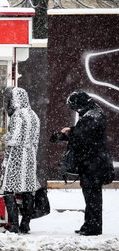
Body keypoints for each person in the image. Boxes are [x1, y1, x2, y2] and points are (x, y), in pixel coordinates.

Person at [50, 90, 114, 236]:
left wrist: (69, 132)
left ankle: (93, 227)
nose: (74, 110)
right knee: (91, 197)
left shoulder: (92, 116)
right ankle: (90, 225)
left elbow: (82, 135)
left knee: (92, 197)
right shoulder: (93, 113)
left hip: (93, 164)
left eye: (74, 106)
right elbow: (82, 135)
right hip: (93, 163)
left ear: (79, 103)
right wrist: (65, 135)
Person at [1, 87, 40, 234]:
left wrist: (5, 137)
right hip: (30, 156)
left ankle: (14, 225)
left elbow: (14, 139)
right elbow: (36, 140)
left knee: (8, 190)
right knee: (27, 191)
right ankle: (26, 223)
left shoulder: (18, 116)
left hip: (16, 156)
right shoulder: (34, 115)